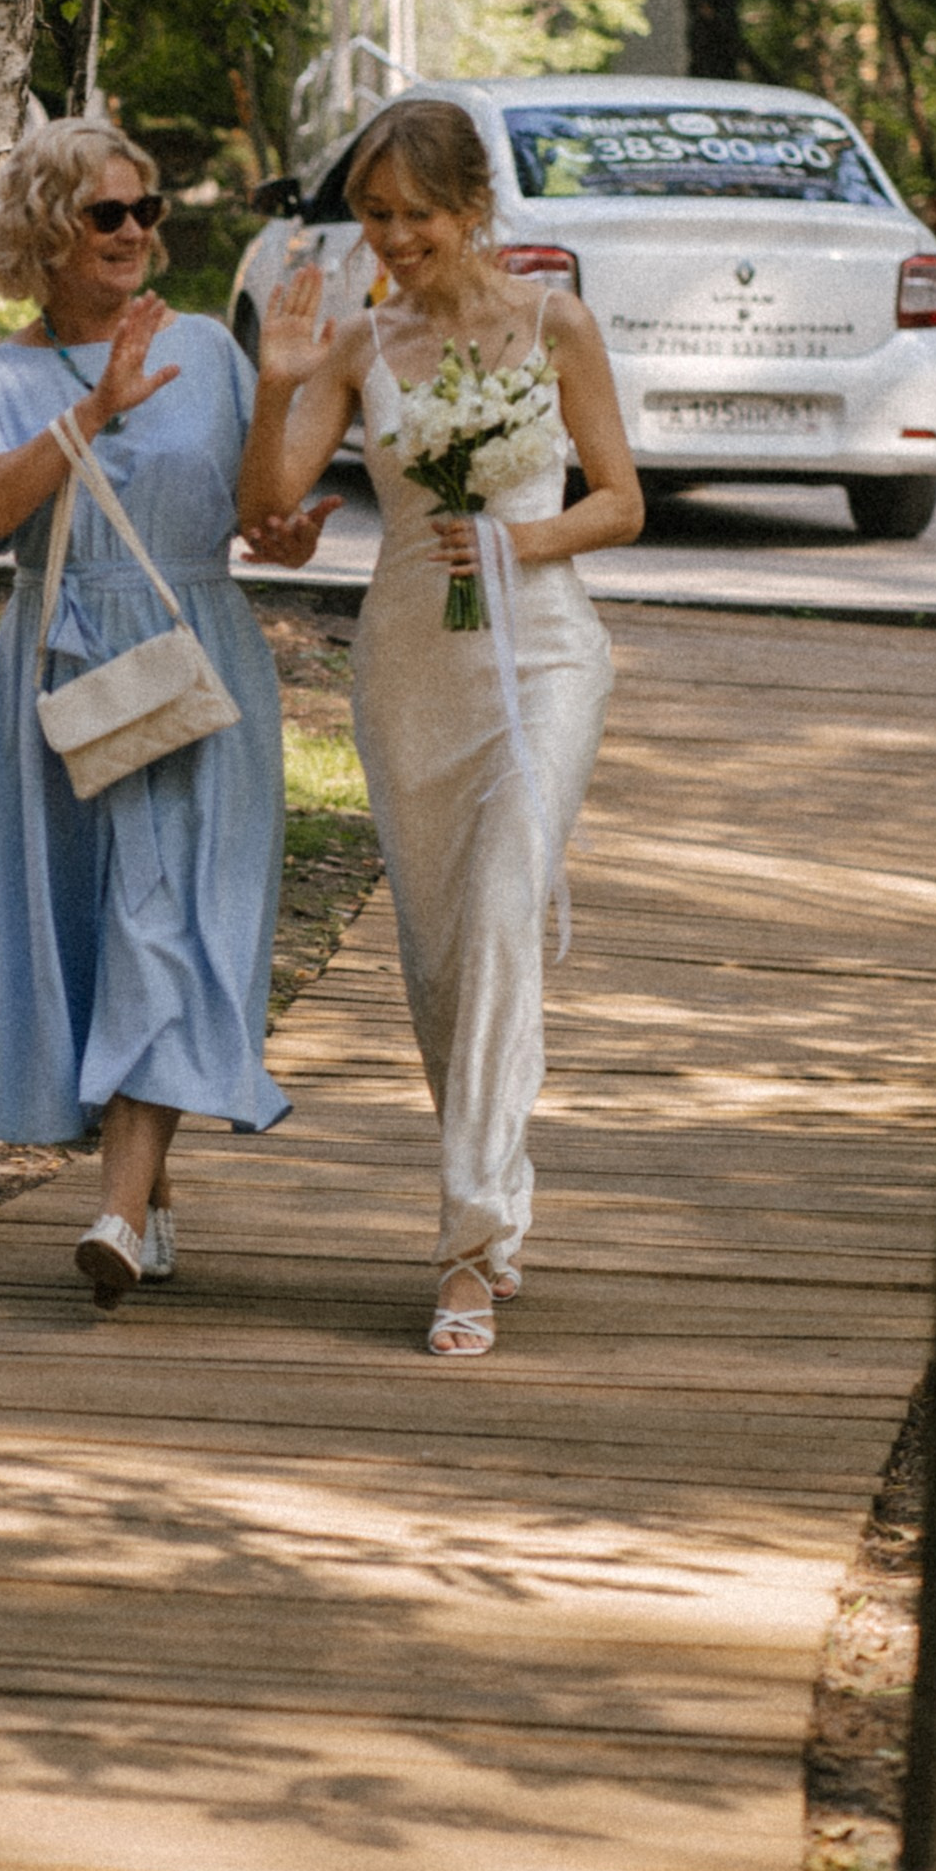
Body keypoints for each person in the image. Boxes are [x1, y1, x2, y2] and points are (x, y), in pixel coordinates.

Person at [238, 98, 643, 1357]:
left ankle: (466, 1248)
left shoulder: (552, 322)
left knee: (504, 899)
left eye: (416, 214)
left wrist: (519, 537)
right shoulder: (359, 342)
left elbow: (621, 503)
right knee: (435, 955)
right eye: (372, 213)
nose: (394, 236)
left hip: (544, 650)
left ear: (474, 210)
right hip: (412, 659)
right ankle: (497, 1187)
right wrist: (276, 386)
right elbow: (267, 511)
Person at [0, 118, 336, 1308]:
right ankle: (145, 1189)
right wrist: (90, 412)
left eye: (145, 211)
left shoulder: (210, 347)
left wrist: (279, 433)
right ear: (46, 232)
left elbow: (257, 509)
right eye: (106, 214)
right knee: (93, 929)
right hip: (63, 667)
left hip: (196, 662)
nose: (134, 233)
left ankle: (113, 1212)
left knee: (164, 922)